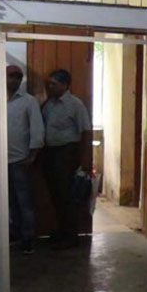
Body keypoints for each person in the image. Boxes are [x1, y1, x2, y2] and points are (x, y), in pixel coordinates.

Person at [41, 69, 92, 250]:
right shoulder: (49, 104)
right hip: (50, 154)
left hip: (66, 154)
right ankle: (62, 231)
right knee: (55, 195)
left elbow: (86, 131)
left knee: (67, 196)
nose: (50, 86)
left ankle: (71, 237)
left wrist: (86, 160)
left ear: (65, 85)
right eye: (49, 83)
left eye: (54, 84)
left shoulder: (75, 104)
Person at [6, 65, 44, 254]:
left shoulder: (29, 101)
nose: (14, 80)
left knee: (24, 202)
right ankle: (16, 236)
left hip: (21, 161)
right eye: (10, 76)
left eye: (18, 77)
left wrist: (32, 156)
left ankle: (28, 239)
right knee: (10, 203)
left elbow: (37, 129)